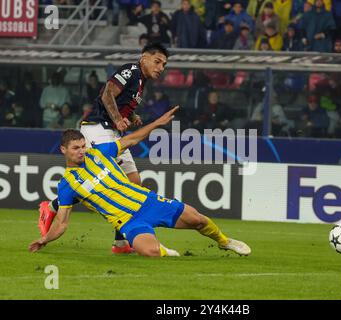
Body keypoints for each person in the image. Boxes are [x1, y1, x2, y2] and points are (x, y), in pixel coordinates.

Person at [28, 112, 251, 257]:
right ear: (63, 150)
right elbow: (63, 223)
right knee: (151, 252)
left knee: (198, 220)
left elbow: (131, 140)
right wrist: (44, 239)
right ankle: (163, 250)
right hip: (128, 221)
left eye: (82, 146)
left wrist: (156, 123)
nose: (81, 151)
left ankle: (224, 241)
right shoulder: (67, 185)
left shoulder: (100, 153)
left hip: (148, 201)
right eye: (76, 148)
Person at [38, 43, 173, 255]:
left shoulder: (140, 81)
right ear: (144, 58)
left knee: (134, 182)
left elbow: (120, 101)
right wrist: (119, 119)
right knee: (105, 180)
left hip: (113, 131)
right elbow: (107, 94)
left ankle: (120, 243)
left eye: (164, 64)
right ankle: (53, 206)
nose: (160, 67)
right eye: (157, 62)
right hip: (98, 129)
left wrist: (130, 115)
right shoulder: (131, 70)